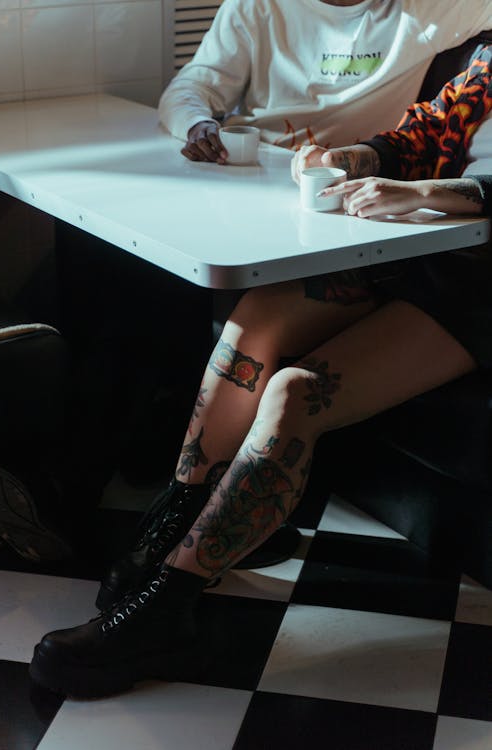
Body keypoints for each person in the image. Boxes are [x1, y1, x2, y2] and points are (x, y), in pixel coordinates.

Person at [29, 45, 492, 698]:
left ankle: (170, 604)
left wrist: (423, 192)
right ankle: (174, 525)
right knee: (253, 321)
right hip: (420, 252)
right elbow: (416, 137)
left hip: (478, 292)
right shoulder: (485, 57)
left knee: (295, 394)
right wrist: (350, 159)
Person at [159, 0, 492, 162]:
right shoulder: (256, 6)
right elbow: (192, 87)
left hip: (354, 178)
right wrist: (197, 124)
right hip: (258, 166)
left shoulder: (426, 8)